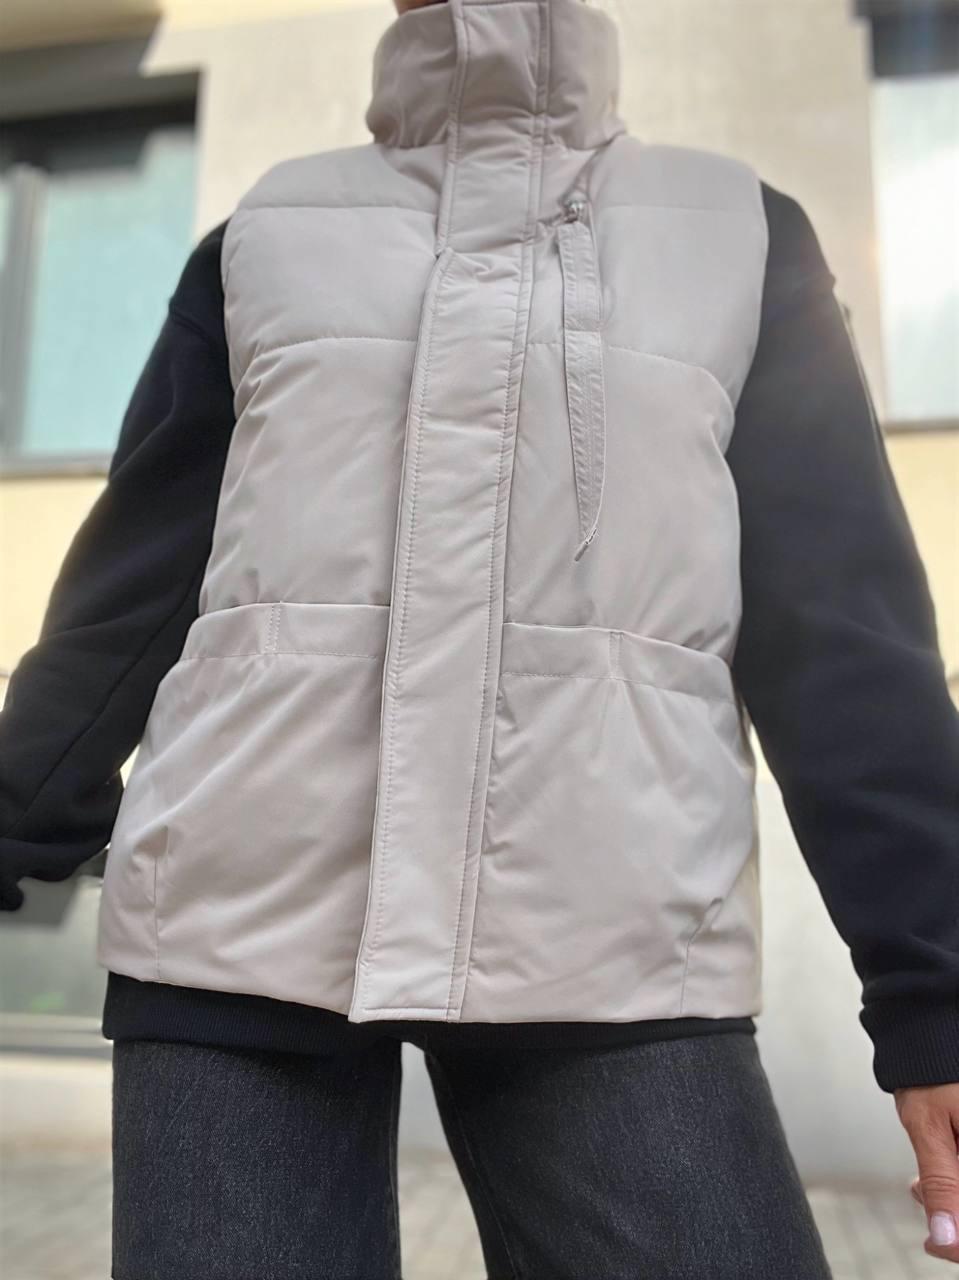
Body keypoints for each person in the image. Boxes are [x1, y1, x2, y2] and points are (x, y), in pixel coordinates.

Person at [1, 0, 957, 1274]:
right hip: (231, 930)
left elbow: (843, 638)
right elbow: (124, 606)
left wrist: (934, 990)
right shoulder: (265, 238)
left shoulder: (739, 235)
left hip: (612, 937)